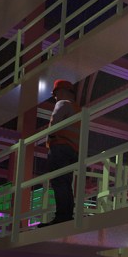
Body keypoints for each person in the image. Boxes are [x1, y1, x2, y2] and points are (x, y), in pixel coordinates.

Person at [45, 79, 80, 225]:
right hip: (73, 150)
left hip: (59, 147)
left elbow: (54, 125)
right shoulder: (78, 109)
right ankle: (67, 214)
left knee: (59, 182)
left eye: (55, 94)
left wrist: (50, 139)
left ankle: (62, 216)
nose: (55, 97)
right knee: (66, 183)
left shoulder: (62, 104)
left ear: (61, 91)